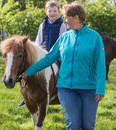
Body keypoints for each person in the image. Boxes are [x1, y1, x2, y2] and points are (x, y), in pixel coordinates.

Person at [22, 2, 106, 130]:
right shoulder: (65, 37)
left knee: (88, 125)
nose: (65, 20)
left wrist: (100, 88)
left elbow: (100, 65)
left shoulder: (95, 38)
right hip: (66, 88)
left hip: (89, 89)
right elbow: (49, 58)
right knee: (73, 125)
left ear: (76, 17)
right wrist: (29, 71)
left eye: (66, 17)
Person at [19, 0, 67, 107]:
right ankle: (27, 95)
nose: (52, 13)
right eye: (50, 11)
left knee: (62, 69)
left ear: (59, 12)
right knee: (30, 68)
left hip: (56, 54)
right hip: (43, 53)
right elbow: (38, 41)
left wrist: (53, 54)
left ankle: (60, 91)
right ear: (46, 12)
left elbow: (62, 41)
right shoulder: (43, 25)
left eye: (54, 11)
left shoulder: (62, 25)